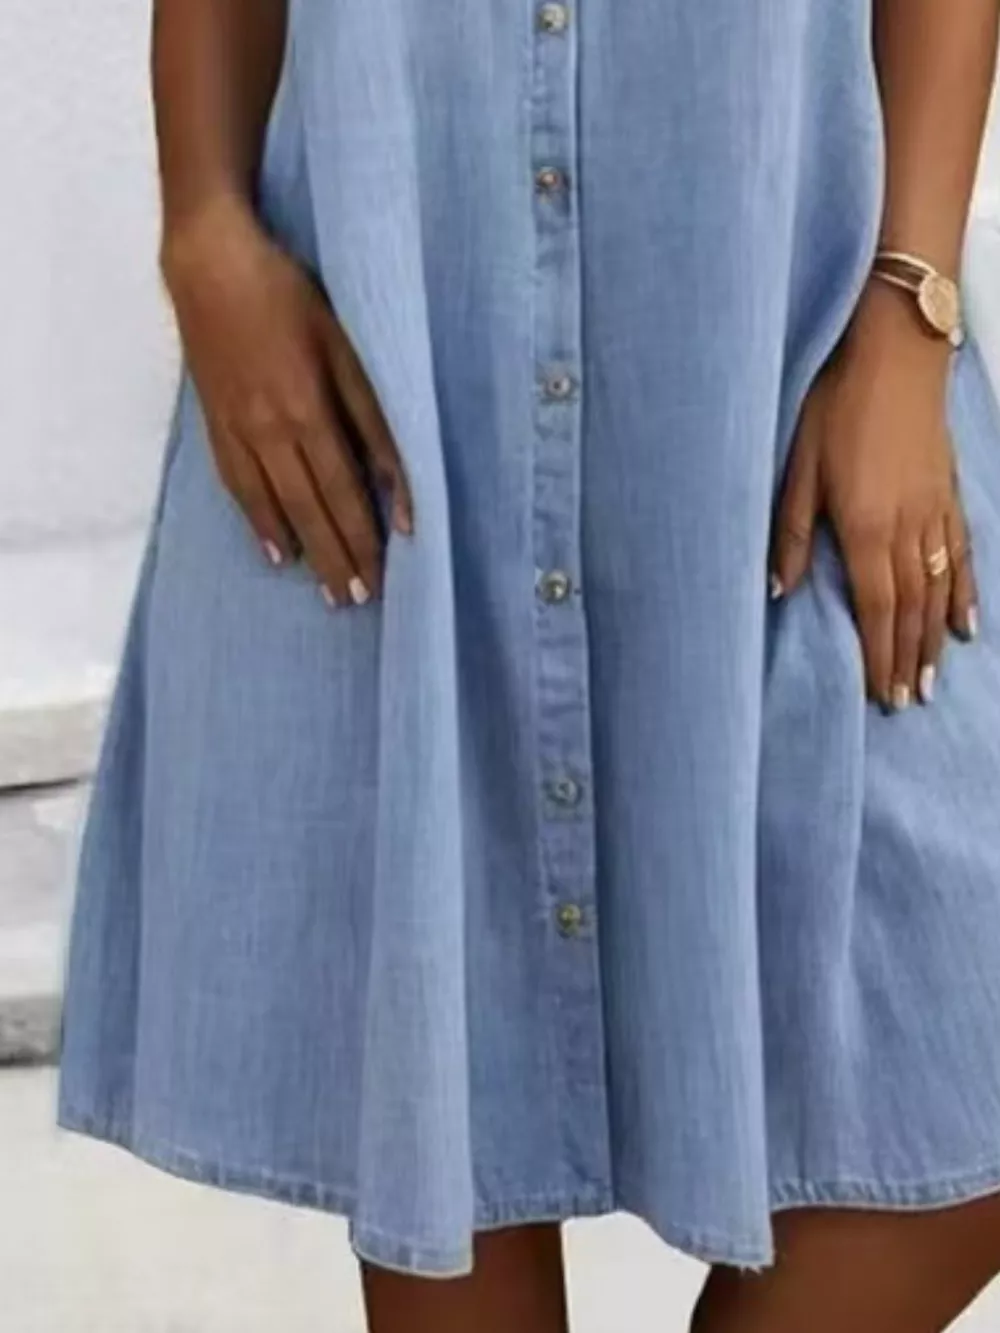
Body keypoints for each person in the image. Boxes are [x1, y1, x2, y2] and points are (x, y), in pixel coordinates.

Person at [56, 1, 1000, 1329]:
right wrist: (205, 227)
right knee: (451, 1074)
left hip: (776, 348)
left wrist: (911, 312)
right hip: (398, 351)